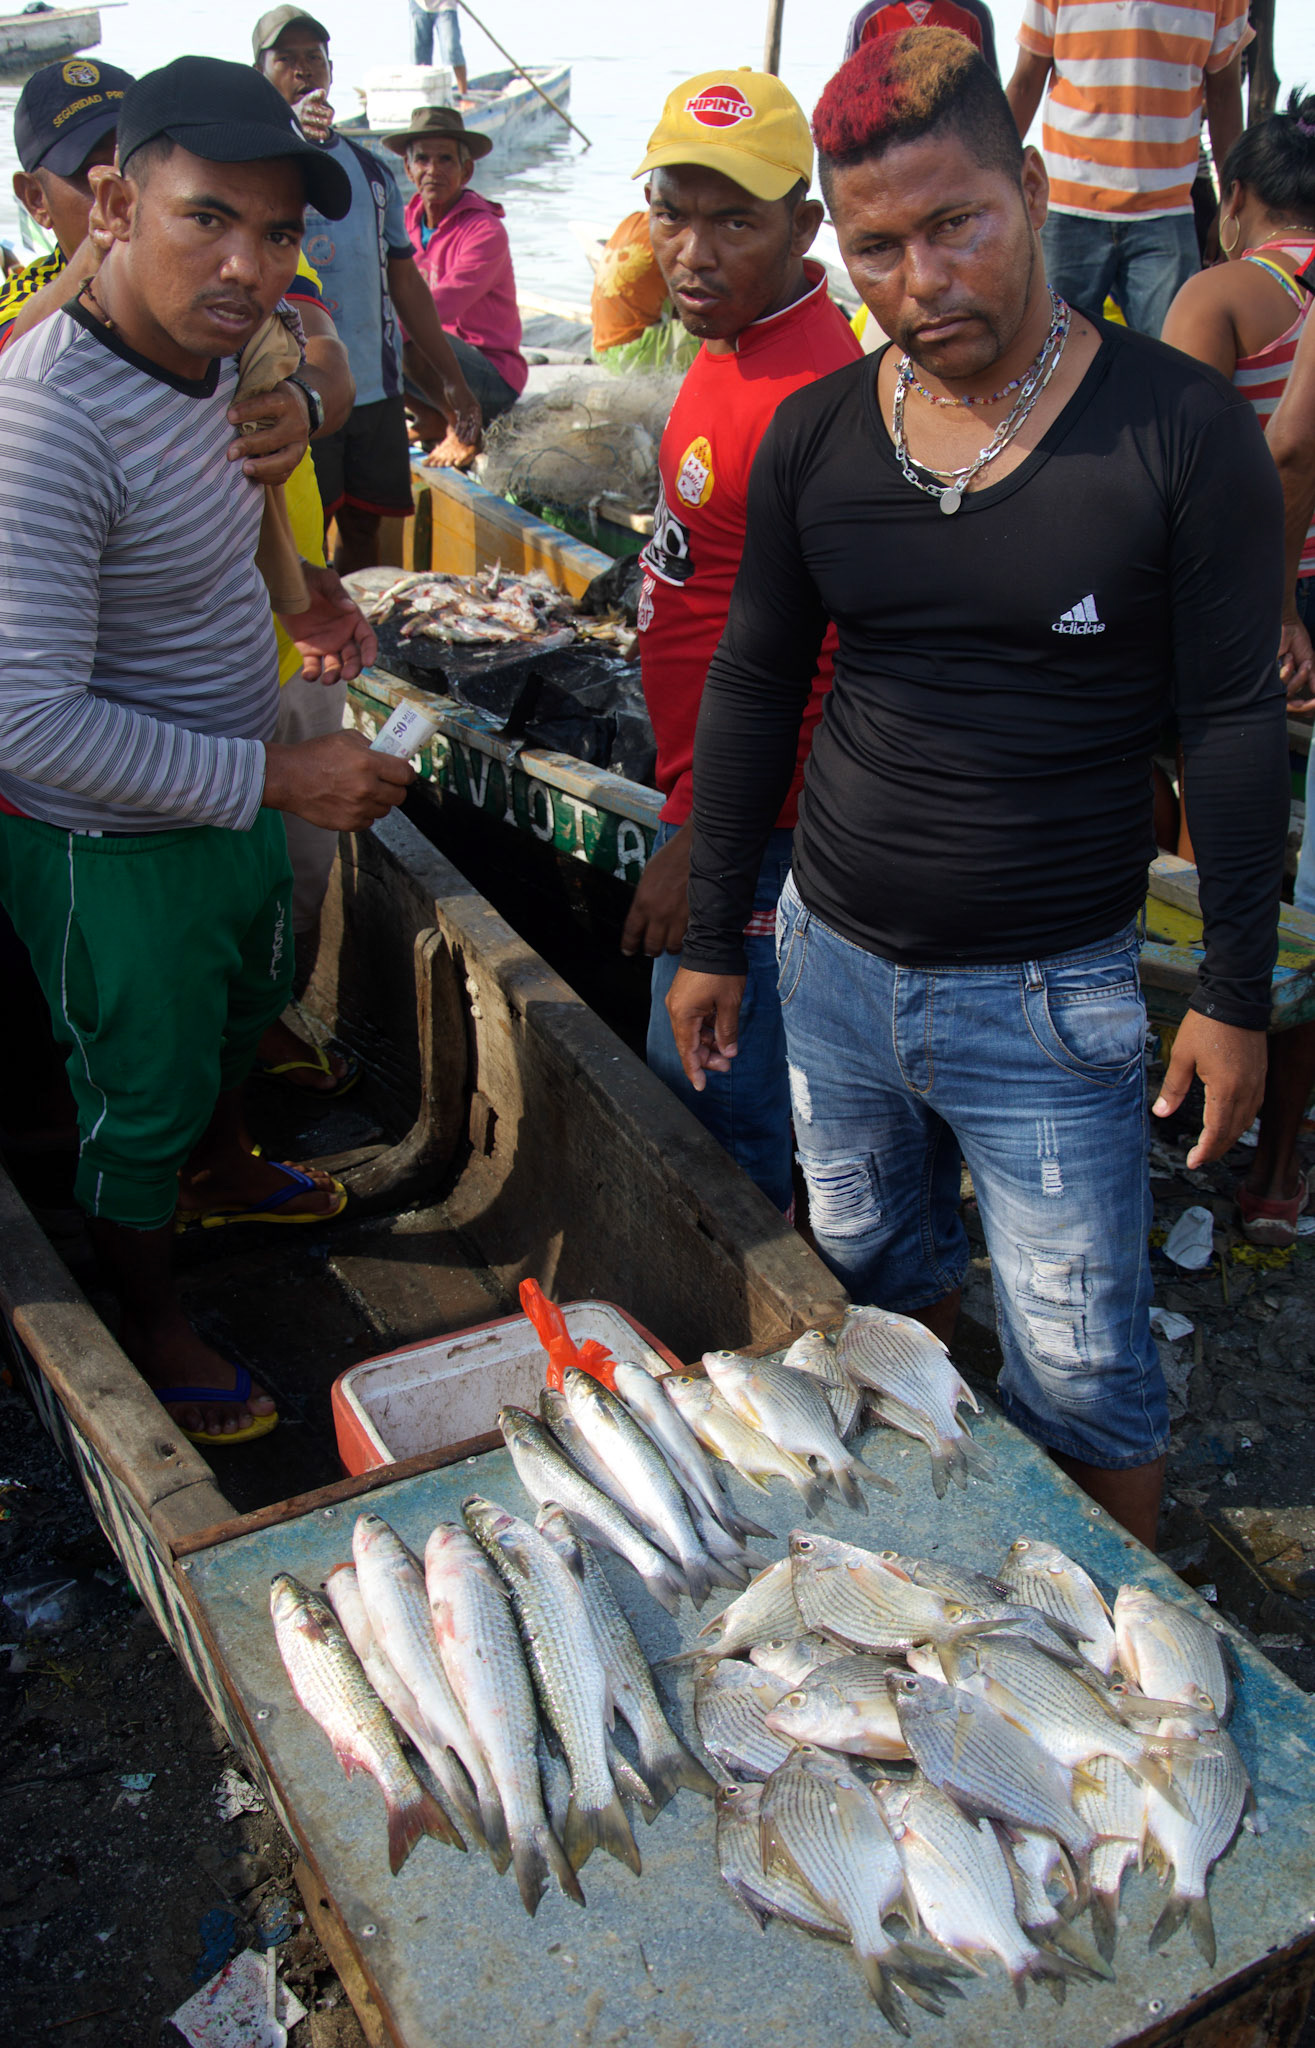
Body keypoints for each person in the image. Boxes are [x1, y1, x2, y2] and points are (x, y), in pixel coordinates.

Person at [664, 28, 1289, 1548]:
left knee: (1086, 1373)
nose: (921, 279)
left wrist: (1229, 996)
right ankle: (947, 1568)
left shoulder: (1175, 430)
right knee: (877, 1285)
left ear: (1027, 186)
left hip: (1047, 994)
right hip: (827, 968)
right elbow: (752, 686)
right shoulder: (818, 433)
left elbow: (1225, 722)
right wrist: (705, 930)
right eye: (875, 247)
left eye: (956, 226)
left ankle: (1113, 1696)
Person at [0, 56, 416, 1447]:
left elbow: (256, 439)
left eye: (281, 233)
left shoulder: (222, 350)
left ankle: (228, 1162)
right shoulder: (46, 427)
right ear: (111, 205)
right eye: (206, 223)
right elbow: (30, 722)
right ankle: (151, 1311)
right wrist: (279, 779)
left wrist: (299, 575)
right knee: (139, 1082)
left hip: (228, 781)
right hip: (105, 841)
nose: (249, 266)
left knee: (245, 1005)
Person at [624, 68, 862, 1214]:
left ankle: (748, 1335)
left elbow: (820, 672)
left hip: (754, 831)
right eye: (673, 212)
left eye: (736, 221)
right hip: (712, 801)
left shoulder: (807, 392)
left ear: (804, 226)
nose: (694, 252)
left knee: (717, 1112)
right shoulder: (730, 346)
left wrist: (700, 852)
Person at [1161, 93, 1315, 1245]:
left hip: (1258, 610)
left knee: (1218, 869)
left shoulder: (1225, 293)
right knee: (1308, 904)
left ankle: (1190, 1108)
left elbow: (1175, 469)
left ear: (1241, 201)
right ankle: (1278, 1174)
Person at [254, 6, 484, 566]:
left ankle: (364, 647)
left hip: (373, 393)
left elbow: (404, 282)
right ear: (260, 72)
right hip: (292, 391)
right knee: (303, 542)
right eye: (287, 60)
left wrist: (452, 384)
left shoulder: (371, 171)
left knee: (367, 535)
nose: (304, 71)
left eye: (315, 58)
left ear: (331, 71)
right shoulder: (251, 167)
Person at [1005, 0, 1250, 337]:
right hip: (1066, 209)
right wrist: (988, 182)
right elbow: (1025, 81)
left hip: (1166, 214)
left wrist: (1232, 204)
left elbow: (1224, 94)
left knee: (1170, 365)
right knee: (1046, 360)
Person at [383, 104, 526, 451]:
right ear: (407, 167)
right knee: (374, 333)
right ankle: (428, 416)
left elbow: (438, 307)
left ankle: (462, 428)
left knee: (406, 336)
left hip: (491, 374)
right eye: (422, 160)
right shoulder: (399, 221)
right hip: (435, 369)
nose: (433, 170)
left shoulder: (485, 230)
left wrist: (381, 327)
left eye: (446, 159)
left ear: (466, 170)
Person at [2, 57, 136, 344]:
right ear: (36, 199)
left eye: (133, 163)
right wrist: (97, 252)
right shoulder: (24, 296)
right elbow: (12, 356)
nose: (123, 192)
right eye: (96, 172)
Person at [590, 210, 697, 374]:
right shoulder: (672, 237)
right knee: (721, 331)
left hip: (601, 348)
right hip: (632, 357)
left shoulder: (634, 220)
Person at [844, 0, 998, 76]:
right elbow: (843, 100)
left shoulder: (974, 15)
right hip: (889, 134)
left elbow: (993, 100)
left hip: (956, 133)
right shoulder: (867, 20)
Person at [410, 0, 468, 95]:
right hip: (419, 5)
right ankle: (424, 97)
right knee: (420, 58)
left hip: (445, 4)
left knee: (451, 49)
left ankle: (464, 95)